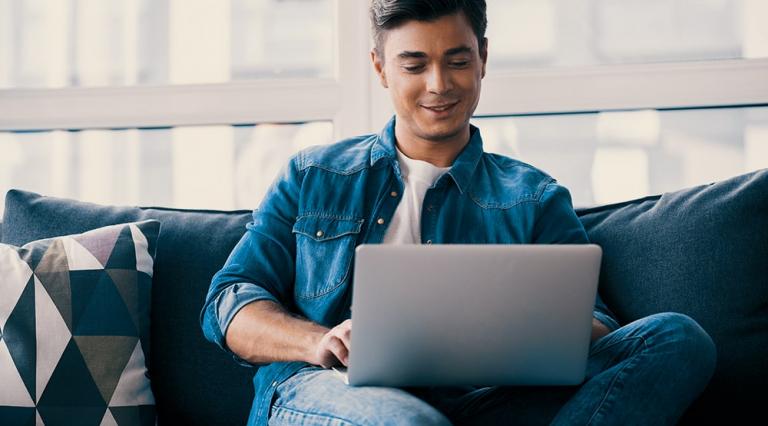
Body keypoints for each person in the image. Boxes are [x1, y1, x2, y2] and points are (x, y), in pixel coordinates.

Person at [201, 1, 716, 424]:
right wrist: (322, 340)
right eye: (414, 64)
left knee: (676, 338)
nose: (439, 85)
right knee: (407, 421)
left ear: (483, 58)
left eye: (457, 60)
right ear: (380, 67)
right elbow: (227, 304)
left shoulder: (533, 196)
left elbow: (598, 327)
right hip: (325, 394)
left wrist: (534, 322)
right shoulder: (314, 175)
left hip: (479, 401)